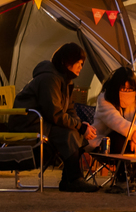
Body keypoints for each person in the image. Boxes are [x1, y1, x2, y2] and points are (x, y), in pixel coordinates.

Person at [8, 42, 99, 192]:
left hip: (44, 123)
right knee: (68, 133)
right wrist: (80, 127)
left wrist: (81, 125)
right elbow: (54, 113)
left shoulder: (66, 81)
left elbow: (69, 110)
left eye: (82, 63)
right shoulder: (49, 79)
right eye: (78, 62)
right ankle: (74, 179)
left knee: (73, 130)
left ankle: (69, 179)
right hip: (29, 124)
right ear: (66, 61)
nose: (81, 67)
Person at [90, 67, 136, 156]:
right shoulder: (104, 99)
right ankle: (122, 169)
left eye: (130, 88)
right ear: (115, 87)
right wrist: (133, 134)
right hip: (104, 142)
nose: (127, 92)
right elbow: (116, 122)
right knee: (120, 138)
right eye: (123, 88)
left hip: (129, 141)